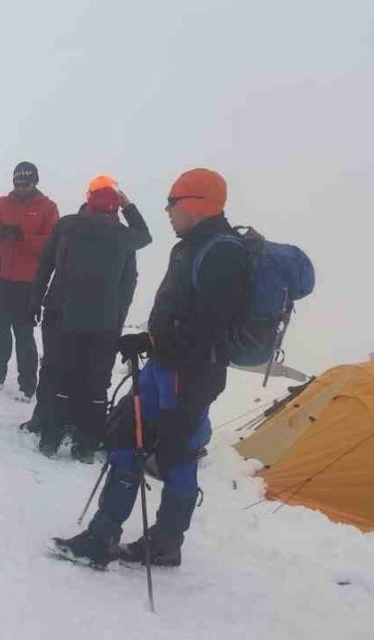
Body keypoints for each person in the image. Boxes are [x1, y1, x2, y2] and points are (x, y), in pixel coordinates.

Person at [53, 168, 250, 569]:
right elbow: (183, 315)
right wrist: (148, 342)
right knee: (126, 437)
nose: (167, 210)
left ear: (196, 203)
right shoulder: (191, 246)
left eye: (172, 202)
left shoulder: (223, 252)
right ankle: (103, 535)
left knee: (177, 455)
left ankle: (165, 543)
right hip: (163, 369)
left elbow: (209, 328)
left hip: (191, 377)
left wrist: (156, 343)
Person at [29, 175, 152, 462]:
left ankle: (50, 439)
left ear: (88, 201)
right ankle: (86, 444)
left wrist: (35, 302)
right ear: (115, 207)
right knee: (95, 382)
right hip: (104, 323)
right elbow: (144, 237)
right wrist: (130, 206)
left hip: (64, 316)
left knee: (61, 374)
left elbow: (45, 265)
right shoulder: (123, 236)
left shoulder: (67, 225)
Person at [0, 161, 59, 400]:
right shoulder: (2, 203)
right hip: (0, 274)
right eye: (17, 183)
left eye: (26, 183)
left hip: (28, 280)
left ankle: (27, 385)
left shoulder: (48, 207)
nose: (21, 188)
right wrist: (0, 233)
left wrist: (25, 239)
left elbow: (53, 242)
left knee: (24, 332)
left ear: (35, 182)